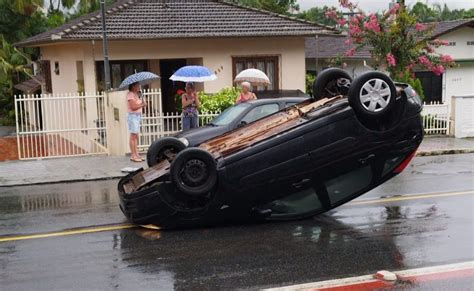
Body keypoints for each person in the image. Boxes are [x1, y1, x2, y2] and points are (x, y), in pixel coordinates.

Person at [127, 82, 146, 162]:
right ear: (133, 86)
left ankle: (136, 154)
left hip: (137, 116)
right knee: (133, 136)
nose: (139, 87)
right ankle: (133, 155)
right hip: (132, 116)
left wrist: (143, 101)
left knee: (136, 136)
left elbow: (139, 105)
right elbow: (133, 107)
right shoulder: (130, 94)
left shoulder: (137, 94)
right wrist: (142, 105)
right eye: (138, 86)